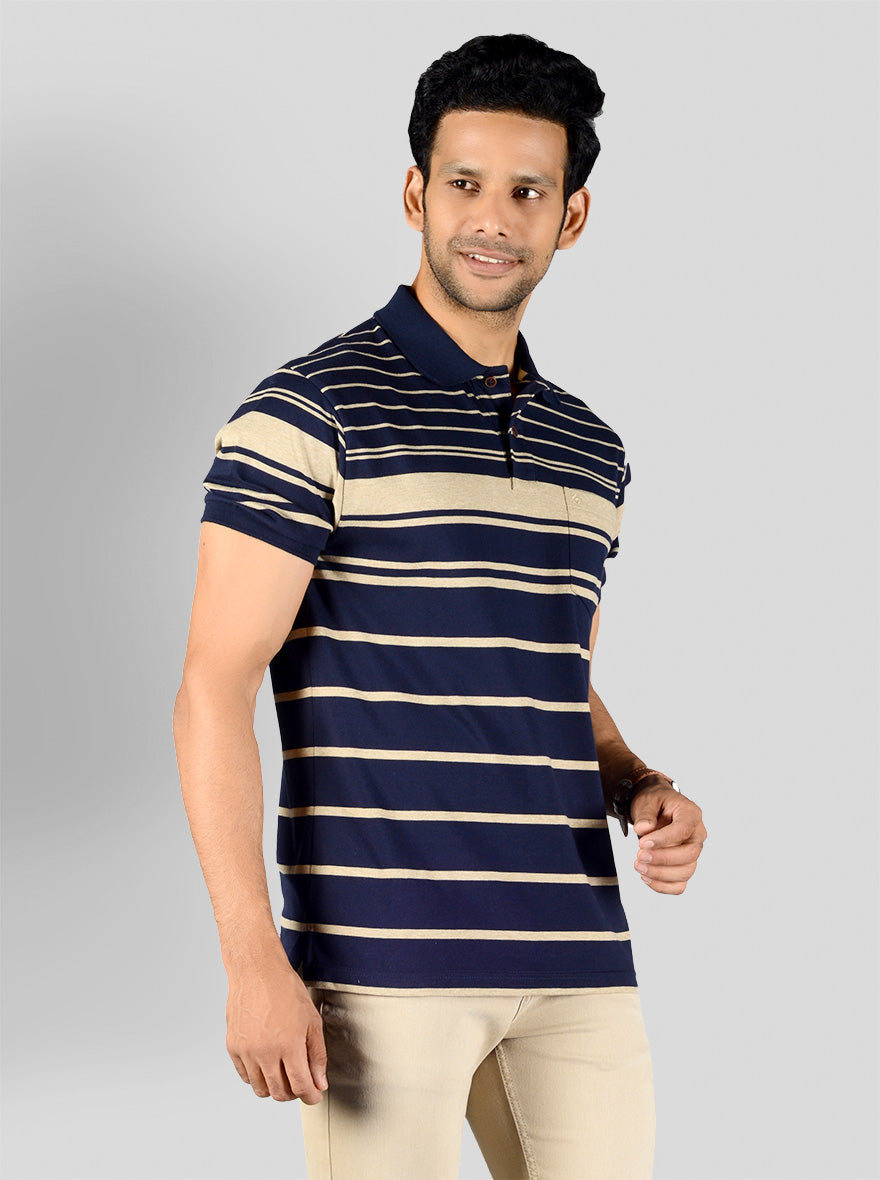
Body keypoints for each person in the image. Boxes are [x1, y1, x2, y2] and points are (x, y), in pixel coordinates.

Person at [173, 32, 707, 1180]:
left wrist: (639, 786)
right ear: (416, 193)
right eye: (465, 183)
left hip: (576, 959)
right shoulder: (307, 412)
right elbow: (213, 685)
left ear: (570, 216)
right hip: (381, 963)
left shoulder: (590, 450)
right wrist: (253, 958)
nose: (491, 218)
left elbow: (550, 679)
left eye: (527, 191)